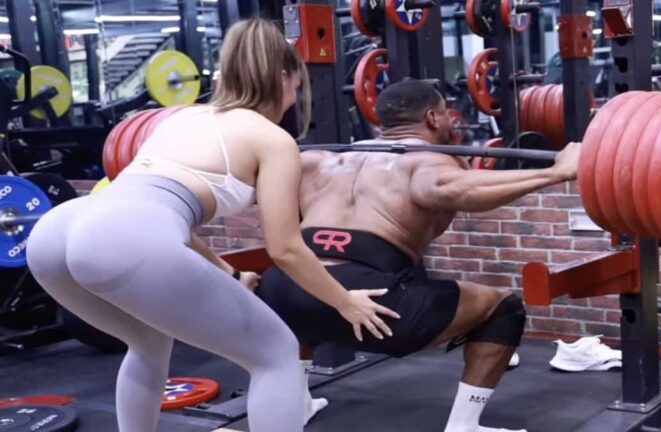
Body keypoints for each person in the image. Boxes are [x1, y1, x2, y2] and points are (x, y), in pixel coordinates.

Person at [25, 18, 397, 432]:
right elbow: (285, 249)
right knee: (276, 353)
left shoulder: (180, 119)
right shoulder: (272, 140)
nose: (296, 94)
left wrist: (230, 272)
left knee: (148, 343)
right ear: (282, 77)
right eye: (297, 83)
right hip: (122, 238)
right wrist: (346, 302)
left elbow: (153, 218)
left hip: (60, 230)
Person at [256, 79, 581, 432]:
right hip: (377, 305)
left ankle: (295, 402)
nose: (451, 121)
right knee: (502, 306)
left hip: (280, 292)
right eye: (445, 113)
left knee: (306, 297)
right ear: (433, 117)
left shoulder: (318, 159)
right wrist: (557, 171)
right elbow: (449, 188)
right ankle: (464, 426)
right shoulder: (423, 162)